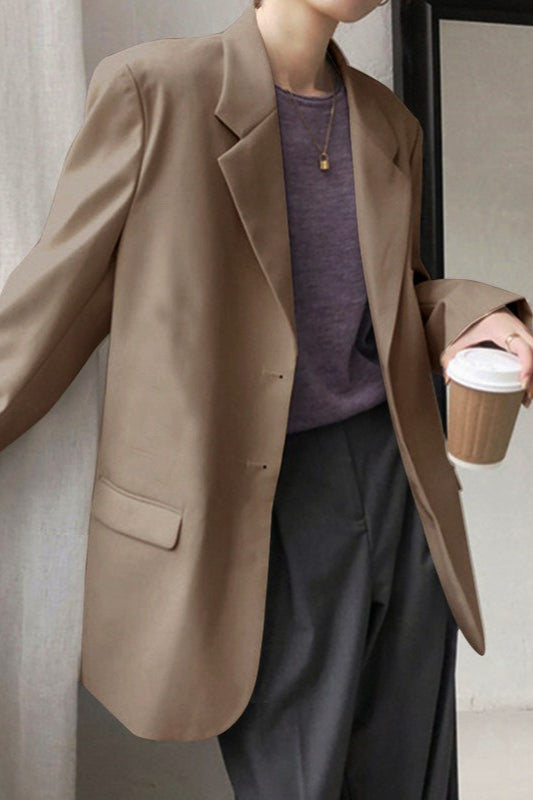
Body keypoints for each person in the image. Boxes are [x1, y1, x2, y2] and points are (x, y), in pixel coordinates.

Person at [1, 1, 532, 798]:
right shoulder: (157, 92)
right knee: (299, 781)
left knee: (410, 777)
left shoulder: (388, 122)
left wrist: (470, 313)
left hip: (398, 482)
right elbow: (56, 298)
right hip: (256, 501)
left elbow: (388, 300)